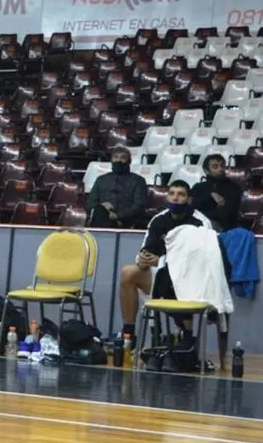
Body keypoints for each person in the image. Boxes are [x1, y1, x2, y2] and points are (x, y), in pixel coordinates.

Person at [118, 180, 212, 345]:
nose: (175, 198)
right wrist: (143, 259)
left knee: (170, 278)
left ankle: (185, 336)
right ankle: (129, 335)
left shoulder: (201, 223)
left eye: (181, 194)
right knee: (128, 272)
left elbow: (201, 260)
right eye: (172, 193)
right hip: (160, 275)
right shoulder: (158, 220)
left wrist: (162, 261)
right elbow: (147, 248)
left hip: (191, 280)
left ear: (189, 200)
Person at [86, 146, 147, 228]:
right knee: (99, 210)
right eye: (116, 157)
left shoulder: (138, 180)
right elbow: (90, 203)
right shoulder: (101, 179)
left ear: (129, 161)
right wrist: (103, 206)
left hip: (126, 219)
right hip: (102, 215)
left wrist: (117, 215)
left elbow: (139, 206)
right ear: (111, 160)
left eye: (123, 158)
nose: (119, 160)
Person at [190, 153, 242, 232]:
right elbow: (191, 207)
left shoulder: (233, 187)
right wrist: (210, 194)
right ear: (206, 170)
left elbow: (227, 213)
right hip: (198, 224)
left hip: (222, 227)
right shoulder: (198, 187)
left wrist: (205, 212)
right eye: (215, 167)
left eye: (222, 165)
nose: (220, 169)